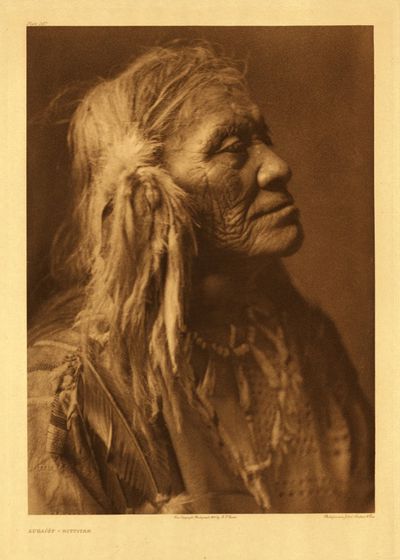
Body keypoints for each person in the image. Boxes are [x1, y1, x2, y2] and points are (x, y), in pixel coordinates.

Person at [28, 42, 374, 514]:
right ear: (150, 198)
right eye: (232, 149)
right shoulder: (64, 397)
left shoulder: (305, 343)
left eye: (264, 137)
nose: (277, 166)